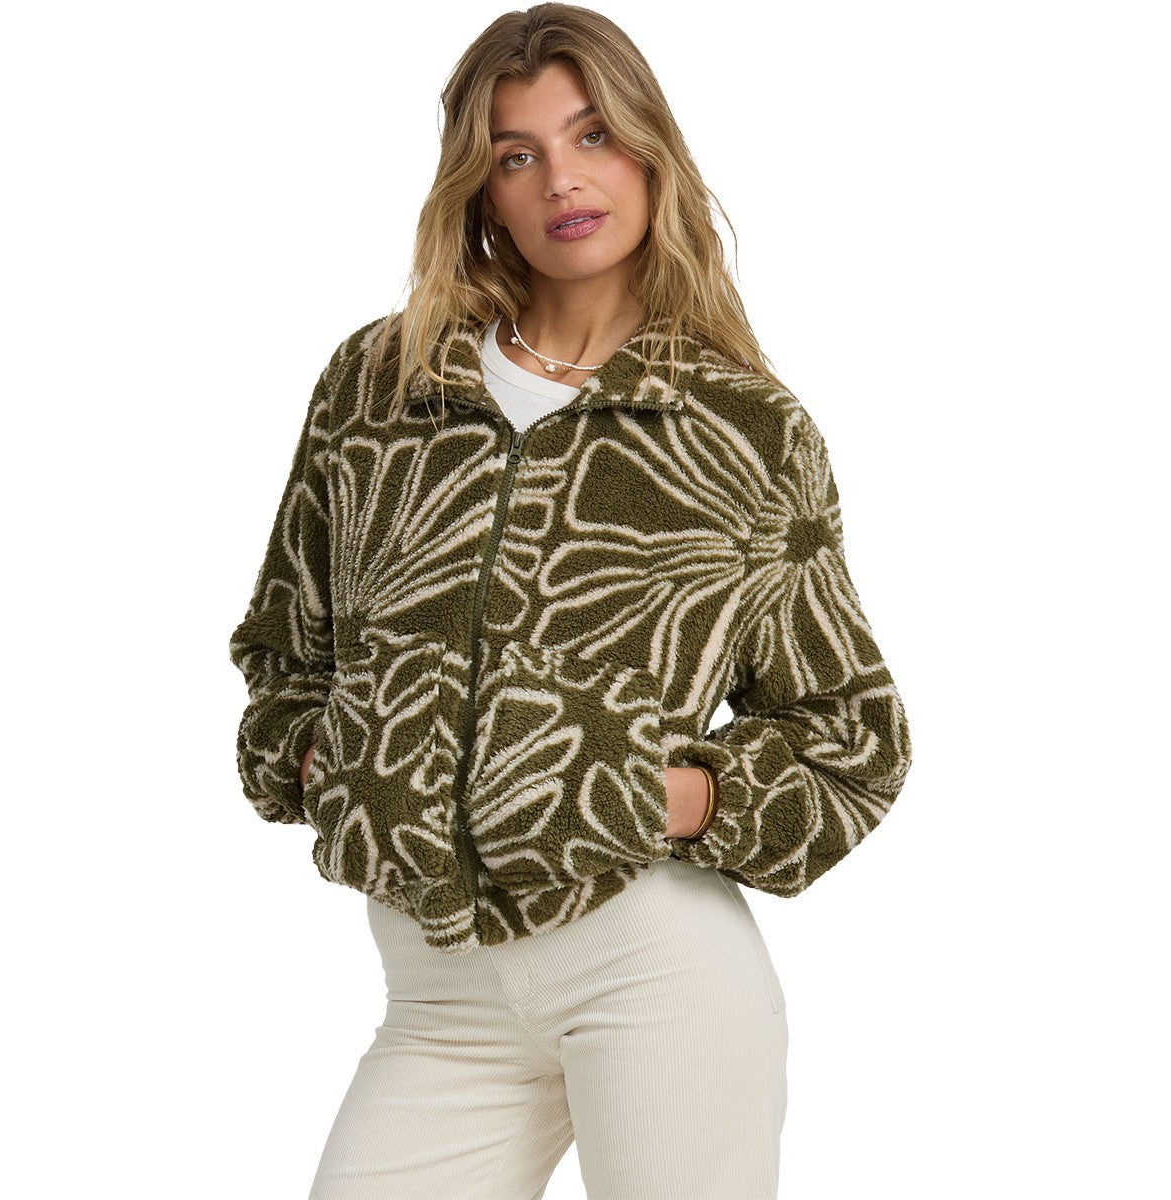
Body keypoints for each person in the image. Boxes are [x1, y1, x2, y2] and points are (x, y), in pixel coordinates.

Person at [227, 5, 913, 1197]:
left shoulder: (742, 429)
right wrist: (322, 761)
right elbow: (285, 647)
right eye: (517, 153)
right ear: (481, 192)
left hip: (648, 969)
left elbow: (851, 739)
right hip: (437, 994)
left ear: (651, 151)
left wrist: (656, 794)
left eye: (593, 135)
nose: (562, 179)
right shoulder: (381, 384)